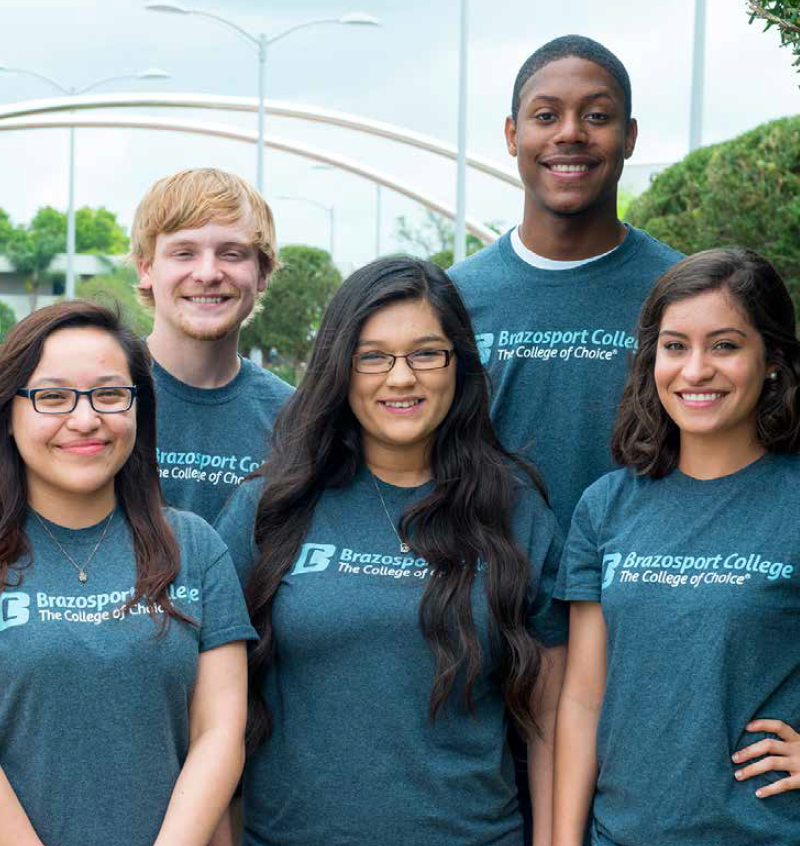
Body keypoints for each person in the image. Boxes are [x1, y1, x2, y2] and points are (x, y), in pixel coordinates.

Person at [214, 257, 568, 846]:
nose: (401, 378)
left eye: (426, 354)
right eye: (373, 357)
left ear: (459, 364)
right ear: (339, 368)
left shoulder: (515, 510)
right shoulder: (271, 508)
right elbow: (209, 710)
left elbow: (553, 718)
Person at [553, 248, 800, 846]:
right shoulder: (606, 506)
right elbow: (583, 700)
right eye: (674, 346)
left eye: (724, 345)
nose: (694, 370)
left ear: (771, 359)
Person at [0, 301, 256, 846]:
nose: (85, 419)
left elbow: (217, 732)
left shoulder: (194, 546)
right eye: (52, 397)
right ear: (9, 414)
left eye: (110, 394)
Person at [449, 34, 682, 532]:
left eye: (597, 116)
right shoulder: (453, 298)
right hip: (488, 574)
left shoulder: (683, 294)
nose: (571, 133)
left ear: (629, 136)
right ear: (512, 134)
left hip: (638, 571)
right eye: (546, 116)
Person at [130, 167, 293, 524]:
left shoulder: (295, 420)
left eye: (231, 254)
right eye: (183, 253)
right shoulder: (97, 399)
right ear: (146, 269)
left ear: (263, 272)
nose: (207, 274)